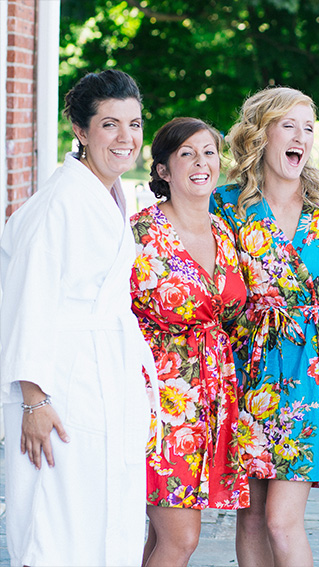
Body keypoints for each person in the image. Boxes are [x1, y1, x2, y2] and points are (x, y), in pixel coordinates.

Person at [0, 69, 156, 565]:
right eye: (110, 124)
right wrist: (33, 401)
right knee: (59, 521)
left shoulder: (108, 195)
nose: (126, 137)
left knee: (102, 514)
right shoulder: (60, 202)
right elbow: (28, 298)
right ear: (81, 131)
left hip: (104, 373)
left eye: (133, 123)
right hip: (61, 385)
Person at [211, 87, 319, 566]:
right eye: (288, 125)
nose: (300, 137)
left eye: (308, 128)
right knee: (250, 514)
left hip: (309, 369)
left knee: (281, 519)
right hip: (244, 368)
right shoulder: (224, 205)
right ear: (260, 134)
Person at [130, 117, 249, 566]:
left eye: (209, 152)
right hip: (160, 399)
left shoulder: (225, 232)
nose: (202, 163)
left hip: (212, 399)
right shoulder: (140, 233)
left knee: (161, 539)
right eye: (187, 154)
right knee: (181, 540)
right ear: (163, 170)